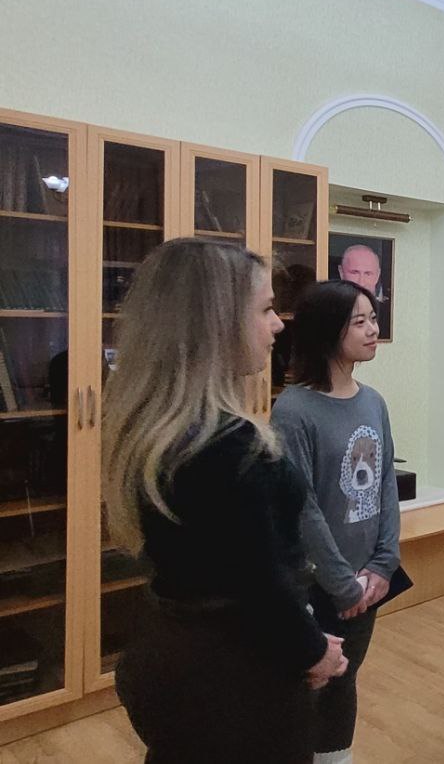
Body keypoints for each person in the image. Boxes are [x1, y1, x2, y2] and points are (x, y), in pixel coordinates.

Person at [103, 238, 347, 764]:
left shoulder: (164, 432)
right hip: (235, 681)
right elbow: (259, 582)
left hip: (177, 660)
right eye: (264, 309)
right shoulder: (225, 447)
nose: (279, 324)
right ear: (214, 326)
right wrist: (314, 651)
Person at [271, 280, 401, 764]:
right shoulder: (294, 410)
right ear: (329, 331)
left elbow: (385, 481)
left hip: (369, 580)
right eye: (361, 321)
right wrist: (343, 585)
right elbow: (301, 508)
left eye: (373, 317)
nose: (374, 330)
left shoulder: (373, 401)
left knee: (346, 681)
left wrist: (385, 564)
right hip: (320, 588)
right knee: (308, 690)